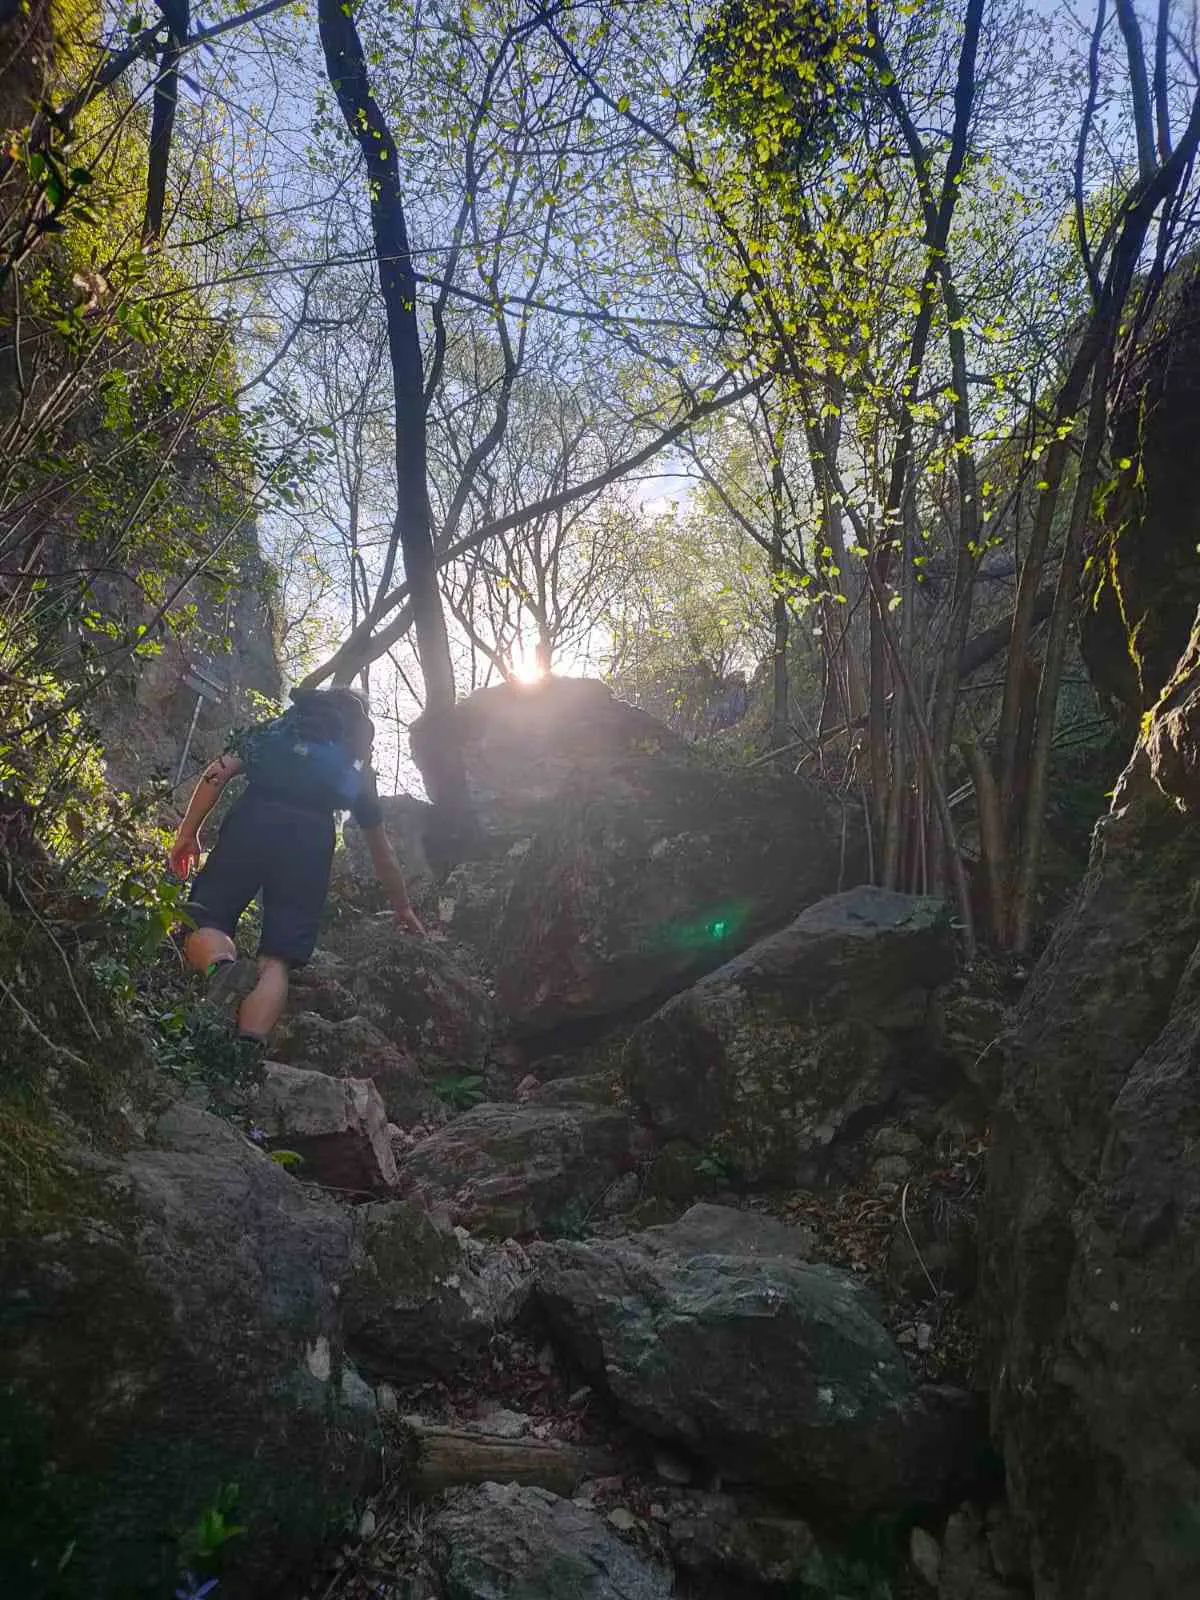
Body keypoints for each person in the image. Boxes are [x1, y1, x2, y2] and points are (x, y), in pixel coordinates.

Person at [167, 685, 424, 1052]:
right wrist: (403, 907)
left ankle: (221, 970)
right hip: (310, 841)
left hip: (252, 819)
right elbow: (382, 852)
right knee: (277, 961)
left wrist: (187, 833)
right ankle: (244, 1051)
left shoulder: (279, 730)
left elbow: (218, 772)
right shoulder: (353, 765)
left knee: (207, 920)